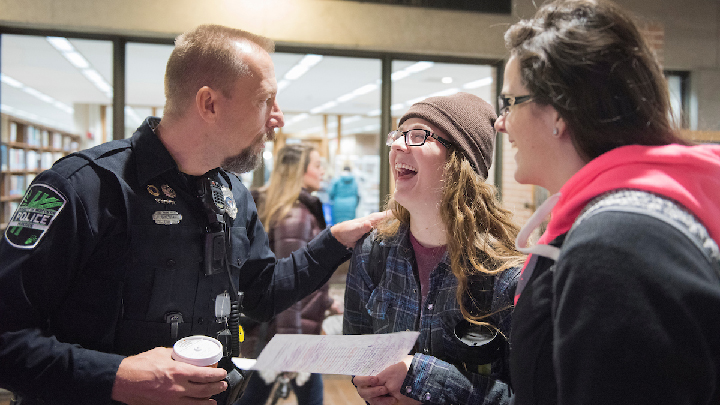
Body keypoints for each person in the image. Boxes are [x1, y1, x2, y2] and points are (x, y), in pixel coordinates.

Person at [0, 24, 384, 405]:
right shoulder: (82, 186)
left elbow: (261, 293)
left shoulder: (232, 194)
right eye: (266, 100)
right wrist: (116, 378)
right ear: (209, 104)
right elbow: (7, 338)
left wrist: (334, 242)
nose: (278, 118)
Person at [493, 1, 720, 404]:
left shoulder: (617, 247)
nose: (500, 122)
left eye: (510, 103)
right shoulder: (634, 214)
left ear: (559, 113)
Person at [344, 92, 525, 405]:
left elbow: (527, 396)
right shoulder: (372, 252)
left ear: (460, 162)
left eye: (417, 136)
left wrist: (422, 378)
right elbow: (356, 350)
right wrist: (367, 383)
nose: (399, 145)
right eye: (398, 135)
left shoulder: (505, 274)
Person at [237, 144, 331, 405]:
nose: (322, 171)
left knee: (252, 395)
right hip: (287, 334)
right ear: (298, 171)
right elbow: (290, 283)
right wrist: (291, 345)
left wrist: (327, 301)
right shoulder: (295, 215)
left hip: (274, 331)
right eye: (317, 165)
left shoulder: (277, 208)